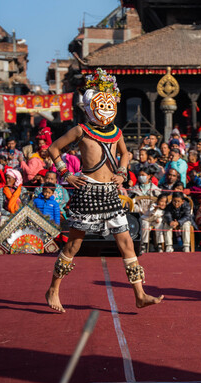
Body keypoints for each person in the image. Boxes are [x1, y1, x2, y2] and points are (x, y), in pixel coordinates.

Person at [45, 68, 163, 313]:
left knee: (127, 244)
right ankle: (53, 289)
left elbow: (125, 153)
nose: (107, 109)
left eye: (110, 104)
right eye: (102, 104)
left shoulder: (117, 132)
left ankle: (139, 294)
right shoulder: (80, 130)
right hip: (88, 193)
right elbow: (54, 148)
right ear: (89, 106)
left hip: (111, 194)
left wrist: (121, 170)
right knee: (73, 247)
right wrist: (66, 173)